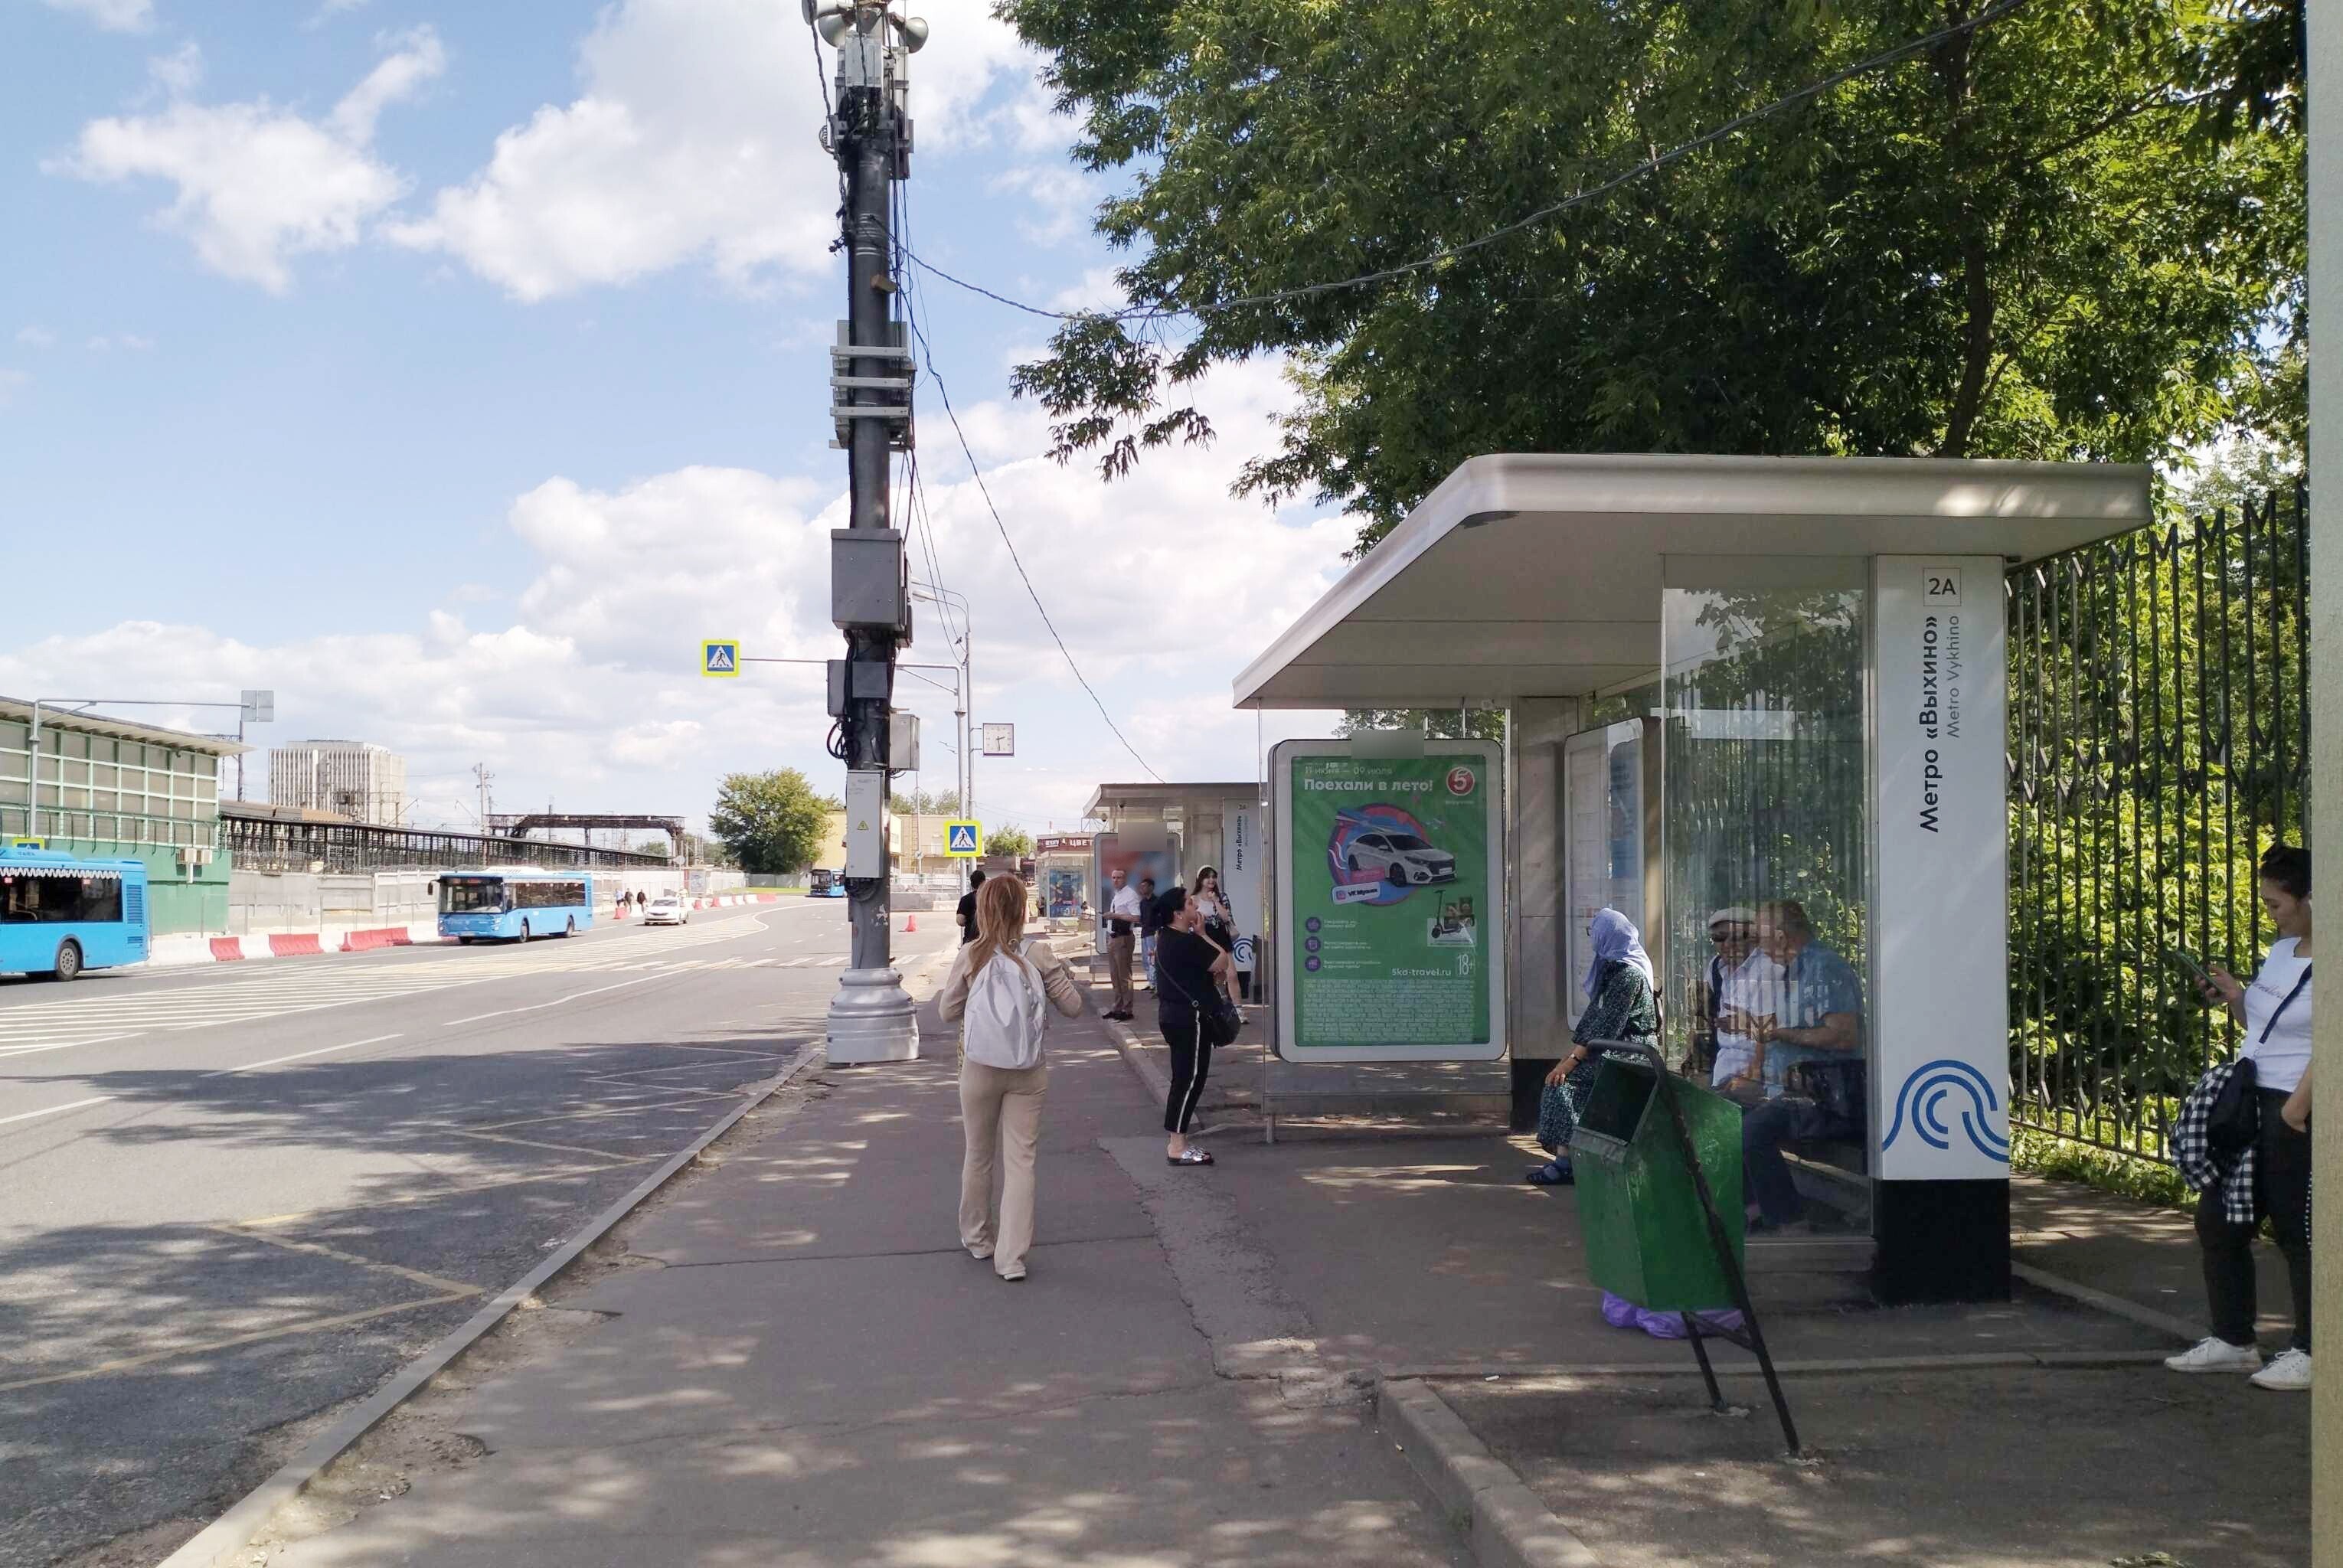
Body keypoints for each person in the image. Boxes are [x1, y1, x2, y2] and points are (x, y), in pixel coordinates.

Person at [2166, 844, 2315, 1391]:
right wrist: (2235, 996)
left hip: (2295, 1107)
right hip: (2253, 1100)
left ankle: (2313, 1350)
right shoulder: (2283, 951)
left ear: (2313, 900)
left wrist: (2297, 1109)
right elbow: (2264, 1025)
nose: (2270, 914)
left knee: (2298, 1230)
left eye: (2276, 904)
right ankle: (2233, 1341)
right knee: (2219, 1218)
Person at [938, 873, 1085, 1282]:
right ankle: (1012, 1259)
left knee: (978, 1154)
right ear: (1022, 910)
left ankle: (977, 1238)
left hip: (979, 1068)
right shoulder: (1039, 953)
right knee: (1022, 1161)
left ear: (983, 909)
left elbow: (947, 1012)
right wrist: (1058, 977)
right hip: (1028, 1071)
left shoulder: (971, 954)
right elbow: (1074, 1007)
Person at [1736, 900, 1866, 1231]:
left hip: (1825, 1096)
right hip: (1787, 1088)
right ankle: (1755, 1208)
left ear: (1780, 936)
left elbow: (1844, 1036)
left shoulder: (1825, 968)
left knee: (1752, 1130)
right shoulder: (1792, 971)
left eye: (1761, 938)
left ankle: (1791, 1223)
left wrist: (1782, 1033)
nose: (1759, 948)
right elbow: (1794, 1024)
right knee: (1725, 1113)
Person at [1528, 908, 1659, 1184]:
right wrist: (1570, 1055)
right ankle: (1572, 1157)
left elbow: (1608, 1025)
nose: (1592, 938)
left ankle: (1566, 1163)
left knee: (1565, 1084)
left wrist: (1571, 1062)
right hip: (1612, 1048)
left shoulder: (1628, 975)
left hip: (1630, 1052)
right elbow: (1593, 1017)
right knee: (1563, 1079)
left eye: (1595, 932)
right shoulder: (1612, 968)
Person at [1152, 887, 1235, 1166]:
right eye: (1189, 903)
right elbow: (1222, 959)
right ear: (1178, 914)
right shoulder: (1186, 941)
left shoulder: (1166, 938)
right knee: (1189, 1081)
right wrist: (1202, 934)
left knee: (1184, 1078)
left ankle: (1178, 1141)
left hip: (1173, 1016)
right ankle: (1177, 1145)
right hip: (1190, 1019)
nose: (1195, 907)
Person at [1189, 864, 1242, 1007]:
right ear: (1200, 880)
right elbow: (1191, 922)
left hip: (1221, 937)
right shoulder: (1193, 899)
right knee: (1209, 977)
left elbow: (1226, 918)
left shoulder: (1222, 897)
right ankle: (1213, 1005)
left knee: (1232, 975)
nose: (1211, 880)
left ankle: (1238, 1009)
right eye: (1207, 877)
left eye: (1214, 877)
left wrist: (1215, 901)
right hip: (1203, 939)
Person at [1103, 867, 1141, 1021]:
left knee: (1124, 975)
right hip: (1113, 937)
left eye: (1119, 878)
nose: (1116, 880)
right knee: (1115, 975)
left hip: (1123, 938)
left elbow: (1137, 917)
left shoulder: (1130, 895)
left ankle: (1127, 1009)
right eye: (1113, 878)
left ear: (1125, 879)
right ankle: (1117, 1007)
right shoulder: (1117, 895)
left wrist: (1116, 916)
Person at [1137, 875, 1163, 992]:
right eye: (1141, 887)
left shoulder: (1158, 902)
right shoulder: (1142, 903)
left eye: (1144, 886)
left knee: (1152, 959)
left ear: (1151, 887)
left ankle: (1155, 984)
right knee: (1145, 959)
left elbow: (1160, 919)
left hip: (1153, 933)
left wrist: (1158, 932)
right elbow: (1142, 918)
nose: (1142, 889)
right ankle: (1150, 982)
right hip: (1144, 933)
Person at [955, 867, 988, 946]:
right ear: (984, 882)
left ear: (971, 884)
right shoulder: (991, 898)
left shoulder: (966, 899)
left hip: (970, 941)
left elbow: (960, 921)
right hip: (988, 942)